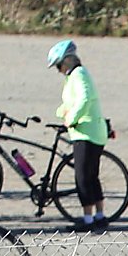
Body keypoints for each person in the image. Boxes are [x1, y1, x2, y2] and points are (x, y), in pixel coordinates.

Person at [46, 39, 110, 230]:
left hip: (85, 132)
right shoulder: (74, 76)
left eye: (58, 65)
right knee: (92, 176)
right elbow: (72, 101)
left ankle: (88, 220)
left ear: (67, 61)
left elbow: (84, 98)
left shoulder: (79, 74)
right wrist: (62, 112)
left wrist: (72, 119)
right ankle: (100, 216)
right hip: (92, 131)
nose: (58, 70)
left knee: (82, 177)